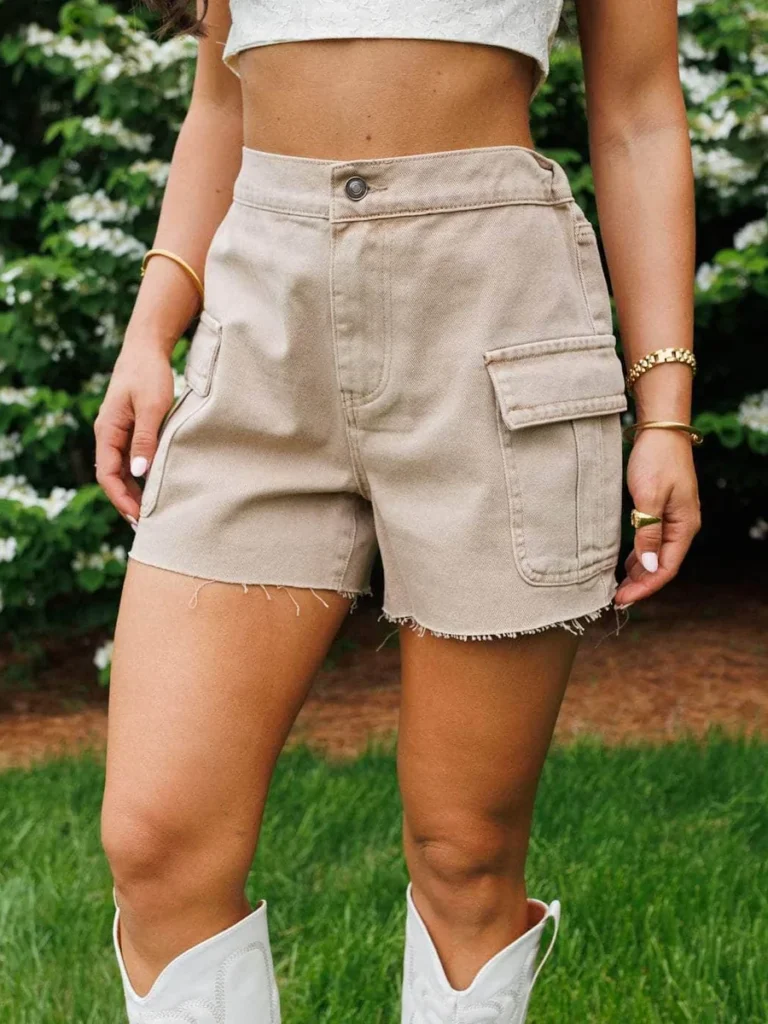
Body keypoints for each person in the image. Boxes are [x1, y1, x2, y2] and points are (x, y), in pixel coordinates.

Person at [95, 0, 701, 1019]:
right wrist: (150, 328)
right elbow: (218, 104)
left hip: (495, 316)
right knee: (157, 840)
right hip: (259, 330)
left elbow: (638, 113)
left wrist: (667, 414)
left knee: (465, 851)